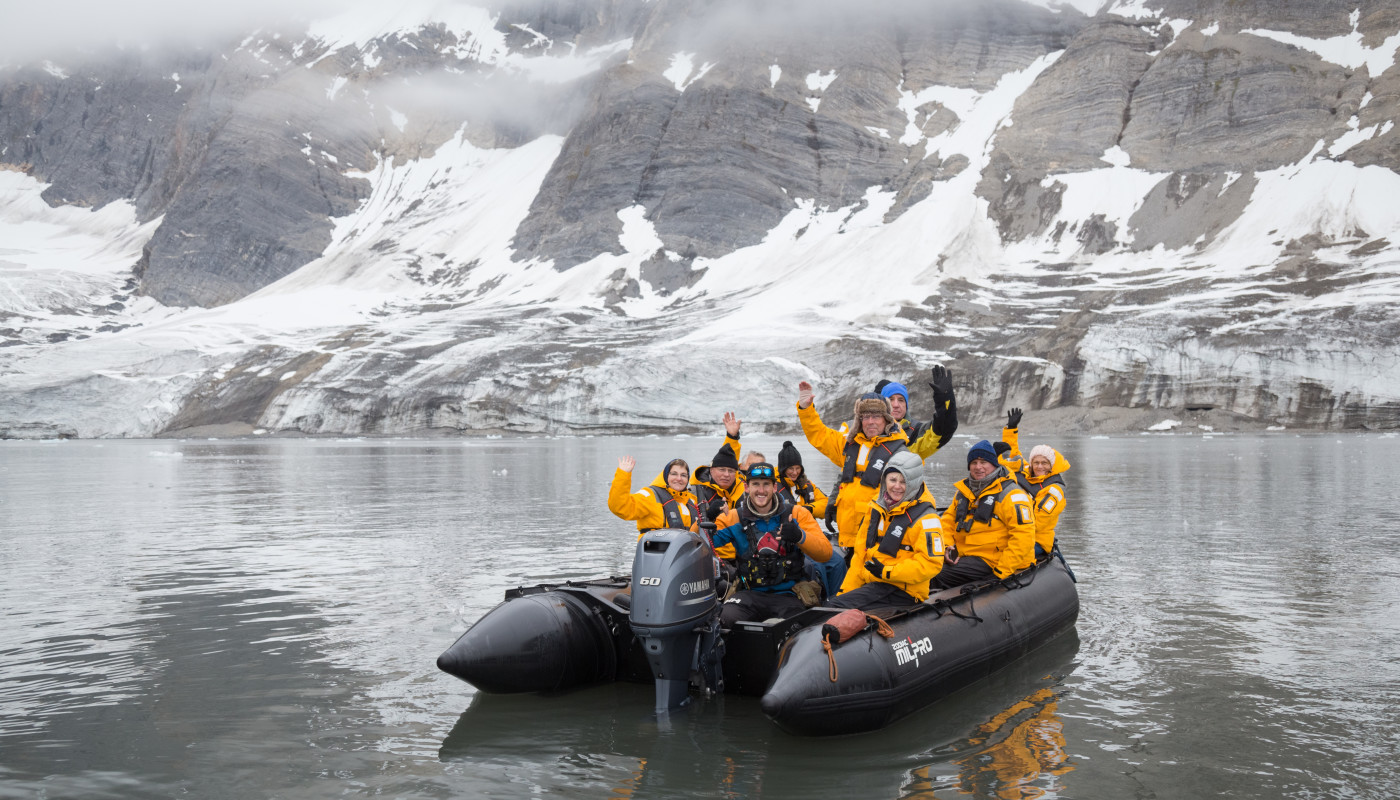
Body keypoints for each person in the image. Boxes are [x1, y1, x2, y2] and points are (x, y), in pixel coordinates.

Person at [796, 381, 910, 563]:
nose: (870, 422)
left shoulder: (899, 452)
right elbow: (819, 435)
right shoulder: (849, 445)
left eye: (876, 416)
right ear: (859, 420)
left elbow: (912, 497)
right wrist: (806, 409)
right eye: (865, 416)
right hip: (848, 537)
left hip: (876, 541)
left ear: (886, 419)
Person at [710, 462, 832, 625]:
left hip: (789, 594)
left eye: (766, 484)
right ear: (747, 487)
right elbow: (699, 543)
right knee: (724, 621)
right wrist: (707, 519)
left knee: (798, 626)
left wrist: (800, 536)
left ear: (775, 487)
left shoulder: (797, 513)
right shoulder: (732, 517)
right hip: (748, 594)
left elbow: (825, 553)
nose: (761, 490)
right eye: (756, 484)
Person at [828, 450, 945, 615]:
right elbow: (860, 557)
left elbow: (931, 564)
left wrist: (887, 572)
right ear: (884, 479)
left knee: (837, 607)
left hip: (904, 591)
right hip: (874, 582)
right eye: (892, 479)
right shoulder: (875, 509)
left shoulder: (927, 520)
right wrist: (845, 592)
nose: (896, 486)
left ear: (914, 483)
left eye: (904, 482)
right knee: (833, 604)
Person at [932, 440, 1036, 589]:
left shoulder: (1011, 495)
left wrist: (1002, 571)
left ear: (994, 464)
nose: (978, 467)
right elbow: (947, 523)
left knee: (937, 573)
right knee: (926, 562)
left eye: (983, 462)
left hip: (992, 559)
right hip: (965, 554)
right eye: (974, 462)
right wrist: (946, 547)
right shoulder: (963, 492)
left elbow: (1024, 536)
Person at [876, 366, 959, 459]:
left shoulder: (916, 433)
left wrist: (944, 400)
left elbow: (944, 429)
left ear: (906, 405)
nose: (896, 404)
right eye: (891, 399)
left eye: (901, 400)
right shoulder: (867, 429)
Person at [607, 456, 699, 534]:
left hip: (686, 552)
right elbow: (620, 507)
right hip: (655, 551)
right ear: (666, 476)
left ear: (688, 479)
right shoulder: (650, 496)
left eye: (683, 475)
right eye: (674, 474)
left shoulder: (693, 501)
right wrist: (623, 475)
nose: (679, 478)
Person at [1020, 443, 1071, 558]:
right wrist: (1010, 431)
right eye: (1036, 463)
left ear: (1051, 465)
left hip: (1037, 541)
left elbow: (1039, 523)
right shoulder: (1031, 480)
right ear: (1031, 465)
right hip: (1023, 536)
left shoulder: (1054, 491)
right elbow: (1014, 458)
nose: (1039, 467)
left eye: (1044, 463)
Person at [775, 440, 827, 519]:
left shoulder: (808, 485)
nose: (795, 472)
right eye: (791, 469)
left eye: (798, 468)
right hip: (784, 529)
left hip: (809, 528)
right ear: (783, 469)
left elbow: (826, 503)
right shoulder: (773, 487)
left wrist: (809, 509)